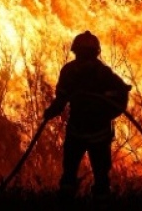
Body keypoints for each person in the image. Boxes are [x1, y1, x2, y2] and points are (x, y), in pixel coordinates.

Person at [44, 31, 131, 201]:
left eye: (87, 54)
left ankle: (97, 198)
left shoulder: (101, 73)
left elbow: (121, 93)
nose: (84, 59)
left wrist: (106, 109)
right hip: (79, 130)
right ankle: (69, 198)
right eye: (82, 54)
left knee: (99, 176)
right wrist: (51, 111)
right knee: (70, 174)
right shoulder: (71, 72)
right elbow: (61, 98)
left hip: (96, 132)